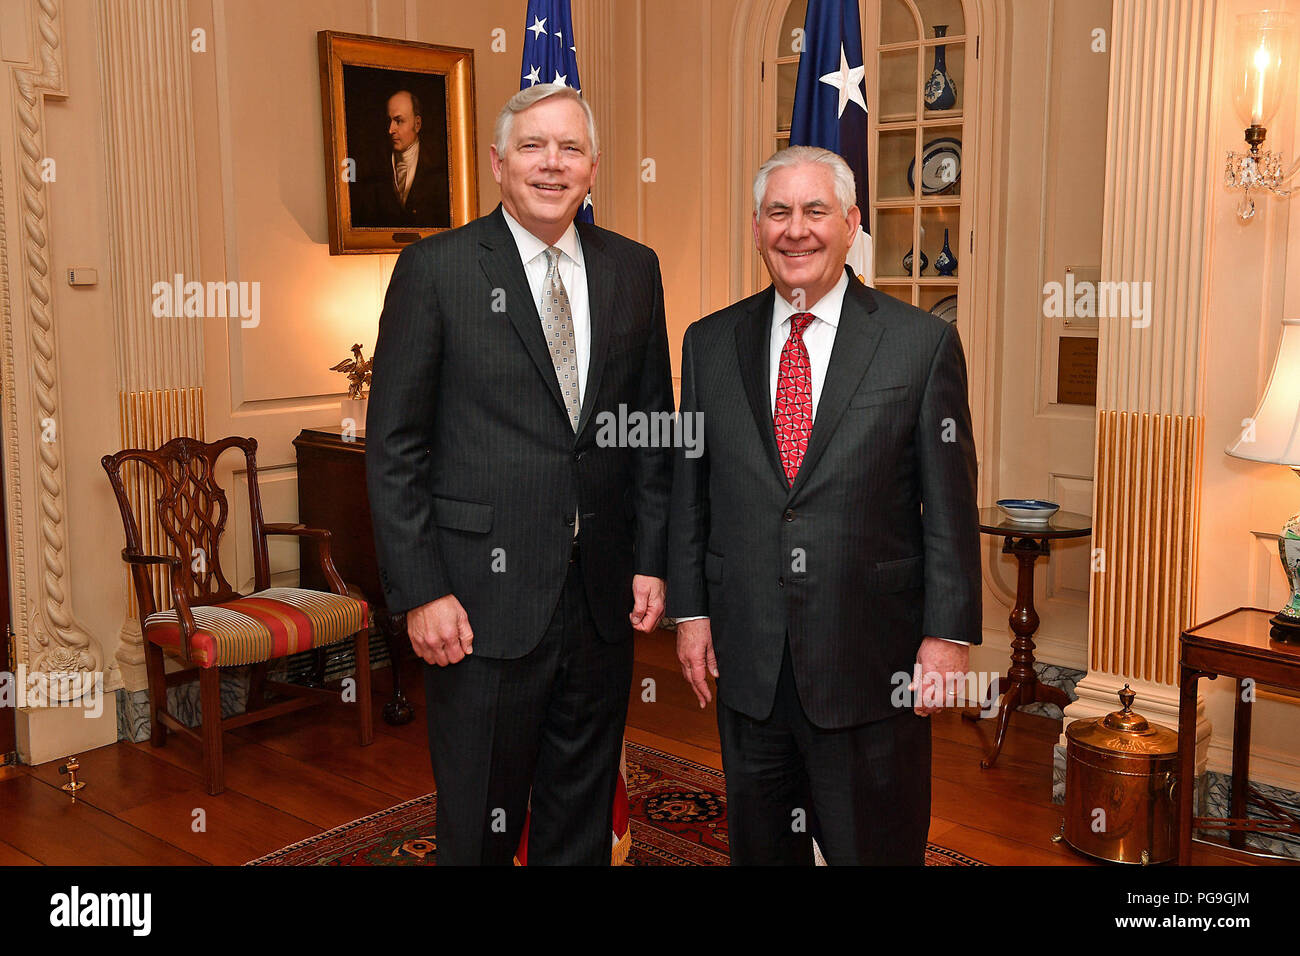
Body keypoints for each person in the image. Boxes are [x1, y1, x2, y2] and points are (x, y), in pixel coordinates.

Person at [366, 83, 673, 865]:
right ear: (499, 163)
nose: (552, 163)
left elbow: (648, 430)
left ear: (594, 168)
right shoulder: (435, 270)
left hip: (601, 599)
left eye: (570, 149)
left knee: (578, 811)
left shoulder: (634, 270)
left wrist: (650, 559)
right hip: (476, 602)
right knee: (478, 822)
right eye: (534, 146)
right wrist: (422, 590)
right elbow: (395, 447)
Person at [667, 145, 981, 865]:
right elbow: (691, 492)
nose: (796, 230)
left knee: (872, 849)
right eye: (779, 212)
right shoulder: (709, 343)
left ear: (851, 224)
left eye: (815, 211)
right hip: (750, 662)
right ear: (756, 228)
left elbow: (951, 505)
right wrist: (692, 614)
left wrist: (947, 638)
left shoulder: (921, 345)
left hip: (873, 662)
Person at [351, 89, 451, 228]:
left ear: (417, 124)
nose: (391, 129)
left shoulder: (440, 168)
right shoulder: (374, 169)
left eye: (399, 121)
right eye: (389, 121)